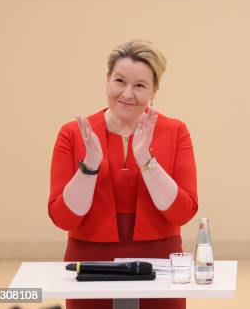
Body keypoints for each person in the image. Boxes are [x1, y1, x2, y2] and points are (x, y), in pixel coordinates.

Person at [49, 41, 198, 309]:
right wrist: (90, 166)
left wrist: (146, 160)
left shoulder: (175, 131)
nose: (127, 94)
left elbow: (182, 213)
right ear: (107, 81)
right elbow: (64, 217)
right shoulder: (73, 133)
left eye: (140, 85)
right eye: (120, 81)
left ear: (154, 90)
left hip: (160, 266)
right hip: (90, 265)